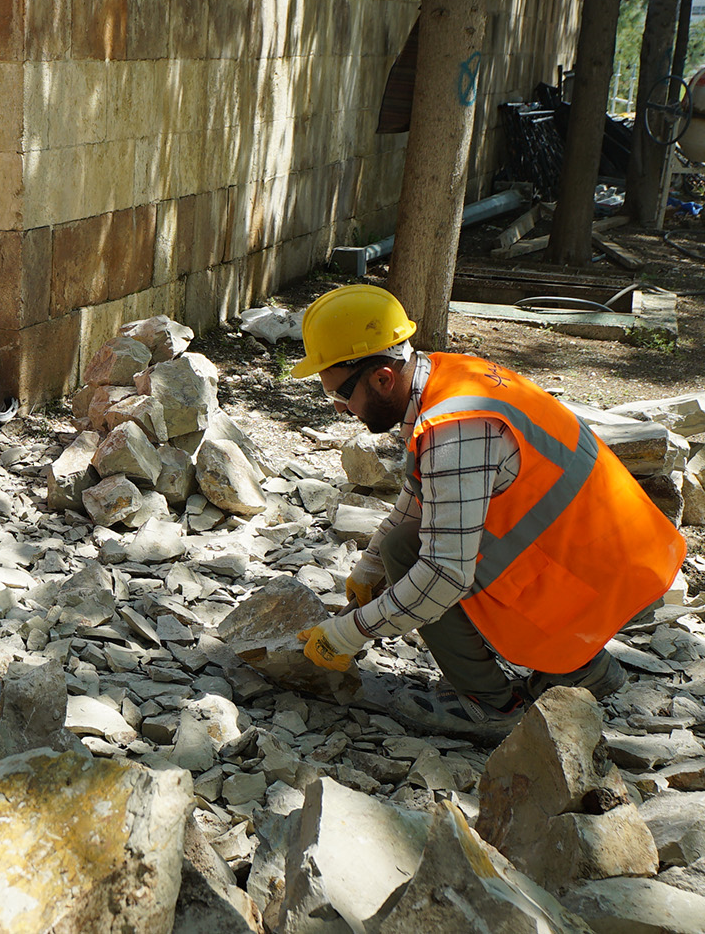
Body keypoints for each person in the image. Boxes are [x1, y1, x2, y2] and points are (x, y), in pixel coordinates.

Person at [292, 285, 685, 741]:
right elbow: (423, 492)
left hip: (601, 578)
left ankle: (493, 708)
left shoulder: (455, 432)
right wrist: (371, 564)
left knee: (416, 557)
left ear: (382, 378)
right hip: (606, 555)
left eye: (341, 395)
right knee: (401, 547)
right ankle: (580, 667)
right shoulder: (445, 379)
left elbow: (443, 576)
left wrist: (348, 634)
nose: (341, 409)